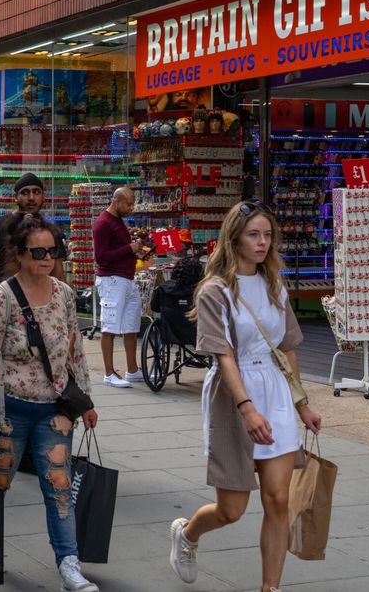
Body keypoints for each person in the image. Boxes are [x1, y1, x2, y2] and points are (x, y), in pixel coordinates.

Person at [168, 202, 322, 592]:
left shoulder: (274, 285)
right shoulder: (214, 291)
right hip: (233, 395)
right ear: (233, 237)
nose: (262, 242)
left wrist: (302, 403)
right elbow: (224, 356)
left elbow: (287, 348)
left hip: (276, 391)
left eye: (267, 235)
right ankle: (187, 534)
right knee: (232, 510)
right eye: (254, 234)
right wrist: (247, 408)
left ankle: (271, 587)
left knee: (278, 501)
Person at [0, 214, 100, 592]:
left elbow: (74, 352)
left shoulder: (65, 294)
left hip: (55, 410)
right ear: (19, 254)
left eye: (52, 250)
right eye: (37, 251)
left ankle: (69, 565)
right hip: (11, 411)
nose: (46, 257)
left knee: (59, 486)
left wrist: (85, 401)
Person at [0, 172, 62, 336]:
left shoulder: (50, 231)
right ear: (15, 197)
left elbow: (58, 275)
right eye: (25, 192)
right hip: (5, 305)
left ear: (43, 196)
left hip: (42, 305)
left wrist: (63, 307)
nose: (31, 197)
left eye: (36, 192)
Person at [94, 187, 146, 388]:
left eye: (133, 203)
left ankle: (132, 369)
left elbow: (118, 250)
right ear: (117, 201)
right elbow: (101, 257)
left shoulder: (117, 222)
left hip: (126, 279)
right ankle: (109, 372)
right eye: (129, 203)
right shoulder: (103, 223)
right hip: (112, 280)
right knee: (110, 326)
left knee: (130, 326)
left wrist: (134, 253)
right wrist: (129, 249)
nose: (131, 208)